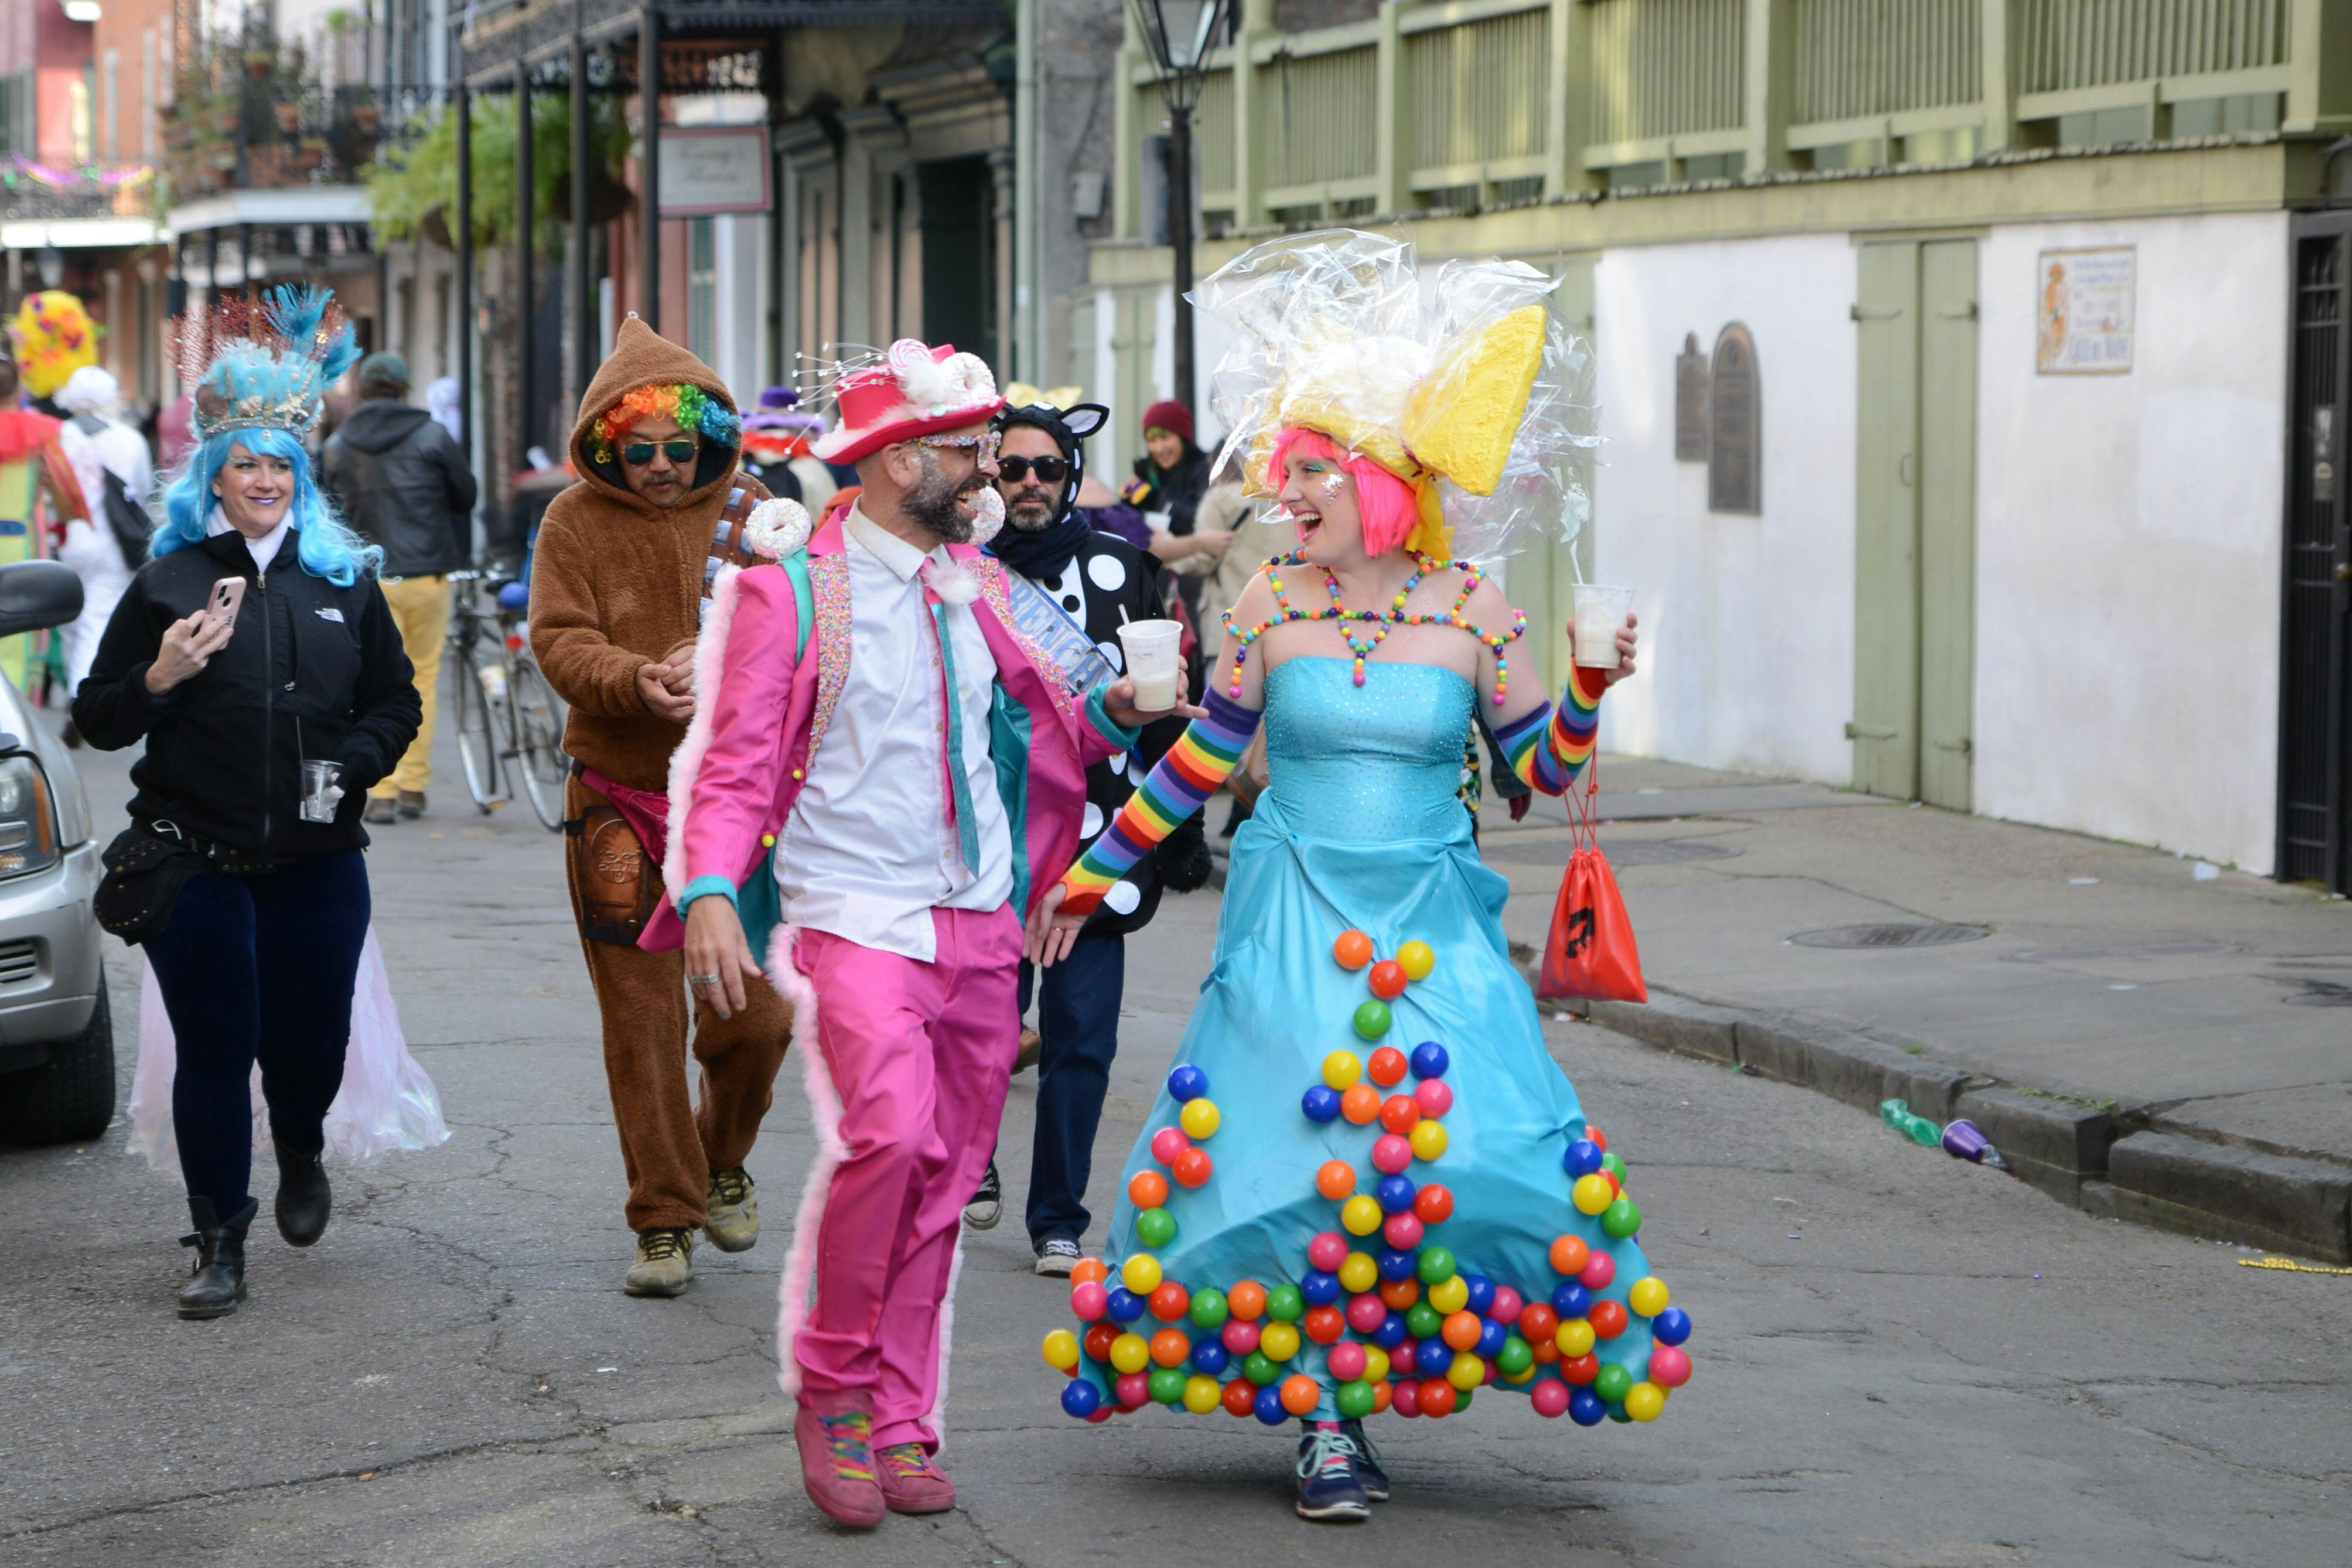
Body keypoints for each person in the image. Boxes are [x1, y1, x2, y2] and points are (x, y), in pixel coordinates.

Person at [1029, 233, 1683, 1522]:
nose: (1292, 493)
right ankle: (1329, 1414)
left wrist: (1593, 688)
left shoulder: (1476, 611)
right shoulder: (1270, 603)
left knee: (1464, 1141)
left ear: (1384, 484)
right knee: (1296, 1147)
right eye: (1290, 474)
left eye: (1314, 473)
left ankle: (1423, 1357)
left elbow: (1540, 772)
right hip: (1292, 909)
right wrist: (1089, 872)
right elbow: (1201, 765)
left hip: (1431, 910)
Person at [664, 337, 1186, 1527]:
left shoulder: (984, 585)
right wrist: (704, 888)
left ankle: (902, 1409)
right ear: (900, 463)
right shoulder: (787, 593)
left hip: (980, 916)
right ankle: (836, 1391)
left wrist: (1124, 705)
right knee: (890, 1140)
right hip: (855, 915)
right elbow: (739, 768)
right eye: (968, 451)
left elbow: (1077, 717)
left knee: (948, 1177)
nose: (990, 471)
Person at [70, 286, 425, 1320]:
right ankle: (218, 1236)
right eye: (245, 465)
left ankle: (304, 1141)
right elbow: (97, 719)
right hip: (195, 858)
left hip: (318, 859)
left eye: (280, 465)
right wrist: (162, 678)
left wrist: (358, 759)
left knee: (306, 1044)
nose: (264, 479)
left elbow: (393, 699)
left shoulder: (343, 577)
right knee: (216, 1049)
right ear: (214, 478)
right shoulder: (171, 582)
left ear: (300, 477)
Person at [530, 316, 793, 1299]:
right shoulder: (572, 523)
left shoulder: (760, 511)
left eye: (679, 449)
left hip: (739, 801)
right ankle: (667, 1215)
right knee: (640, 1018)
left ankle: (723, 1158)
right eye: (637, 451)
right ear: (609, 444)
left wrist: (728, 669)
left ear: (708, 437)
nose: (660, 468)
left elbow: (804, 637)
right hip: (616, 795)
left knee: (757, 1016)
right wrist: (636, 679)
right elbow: (556, 639)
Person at [964, 400, 1199, 1273]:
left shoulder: (1124, 566)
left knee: (1082, 1042)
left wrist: (1178, 828)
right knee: (980, 1032)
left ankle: (1056, 1216)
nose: (1029, 483)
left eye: (1047, 470)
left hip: (1098, 842)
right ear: (988, 472)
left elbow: (1180, 691)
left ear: (1069, 478)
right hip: (985, 843)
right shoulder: (959, 567)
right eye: (1012, 467)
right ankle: (969, 1162)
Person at [322, 351, 478, 824]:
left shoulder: (339, 443)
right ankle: (413, 785)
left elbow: (327, 512)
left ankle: (381, 790)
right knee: (423, 679)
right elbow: (465, 495)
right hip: (426, 574)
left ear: (364, 391)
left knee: (367, 684)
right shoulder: (432, 435)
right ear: (405, 388)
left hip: (367, 582)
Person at [54, 367, 153, 717]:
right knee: (97, 619)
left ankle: (73, 684)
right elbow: (141, 492)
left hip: (68, 540)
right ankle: (80, 696)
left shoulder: (58, 436)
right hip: (112, 544)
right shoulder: (130, 439)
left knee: (69, 622)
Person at [0, 354, 91, 694]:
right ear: (18, 387)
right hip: (21, 549)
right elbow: (68, 493)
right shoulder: (40, 435)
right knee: (21, 642)